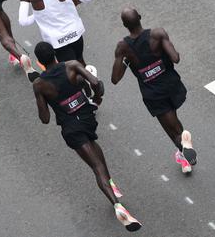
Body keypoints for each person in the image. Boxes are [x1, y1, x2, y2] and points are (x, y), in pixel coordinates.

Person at [31, 42, 142, 232]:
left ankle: (117, 206)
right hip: (87, 119)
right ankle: (111, 183)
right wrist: (97, 99)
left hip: (71, 127)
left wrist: (42, 97)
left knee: (96, 166)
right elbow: (97, 84)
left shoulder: (39, 85)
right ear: (55, 55)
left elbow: (45, 118)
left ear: (40, 62)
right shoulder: (72, 65)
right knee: (94, 146)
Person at [111, 8, 197, 173]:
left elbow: (115, 79)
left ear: (124, 25)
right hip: (172, 85)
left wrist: (126, 60)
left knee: (173, 129)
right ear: (140, 18)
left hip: (154, 94)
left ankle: (184, 151)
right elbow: (176, 58)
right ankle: (183, 154)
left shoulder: (123, 47)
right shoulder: (157, 34)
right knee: (175, 122)